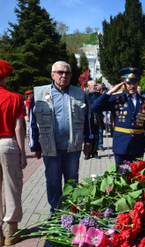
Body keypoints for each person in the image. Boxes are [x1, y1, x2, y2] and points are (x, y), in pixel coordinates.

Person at [30, 61, 92, 213]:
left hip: (73, 147)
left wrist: (89, 141)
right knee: (53, 181)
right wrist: (35, 146)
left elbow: (88, 120)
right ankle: (56, 212)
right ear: (52, 74)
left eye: (67, 73)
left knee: (72, 180)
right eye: (60, 72)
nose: (63, 75)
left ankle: (71, 211)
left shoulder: (80, 94)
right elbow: (33, 121)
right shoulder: (39, 94)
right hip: (51, 148)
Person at [91, 67, 145, 164]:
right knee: (120, 175)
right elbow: (95, 107)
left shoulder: (144, 101)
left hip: (138, 144)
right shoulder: (115, 99)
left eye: (134, 83)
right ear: (123, 84)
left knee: (137, 176)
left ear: (137, 83)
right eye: (129, 83)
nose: (132, 86)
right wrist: (110, 92)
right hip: (121, 144)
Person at [0, 59, 27, 245]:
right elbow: (19, 128)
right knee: (12, 187)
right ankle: (11, 231)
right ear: (6, 76)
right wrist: (23, 152)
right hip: (7, 144)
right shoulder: (15, 97)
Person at [85, 80, 103, 160]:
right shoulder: (85, 95)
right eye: (94, 85)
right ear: (89, 86)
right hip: (88, 118)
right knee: (88, 136)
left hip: (97, 117)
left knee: (96, 136)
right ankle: (88, 153)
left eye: (96, 85)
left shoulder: (98, 95)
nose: (96, 87)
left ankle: (95, 152)